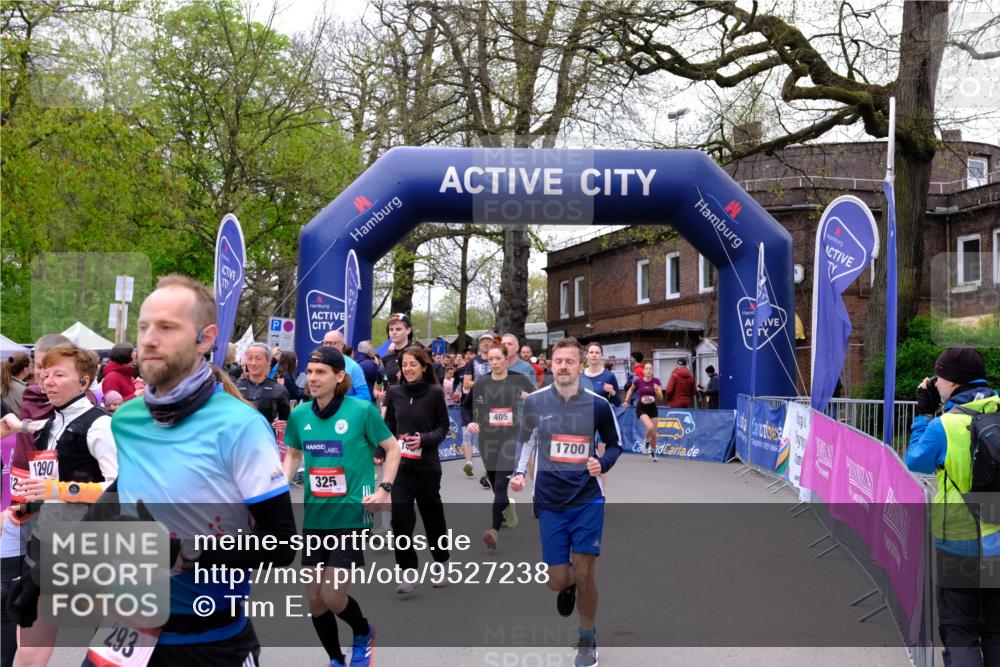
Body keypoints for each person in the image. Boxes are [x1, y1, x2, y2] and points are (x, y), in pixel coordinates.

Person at [95, 274, 297, 663]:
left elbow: (281, 542)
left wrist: (187, 551)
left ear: (206, 339)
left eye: (167, 327)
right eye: (143, 327)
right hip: (127, 628)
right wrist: (44, 570)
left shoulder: (240, 425)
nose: (148, 339)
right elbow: (120, 490)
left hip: (210, 638)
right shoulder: (127, 418)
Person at [2, 343, 118, 667]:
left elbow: (119, 487)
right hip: (44, 545)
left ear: (84, 381)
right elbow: (47, 489)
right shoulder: (50, 424)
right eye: (44, 373)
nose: (47, 381)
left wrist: (60, 488)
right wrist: (24, 510)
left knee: (109, 647)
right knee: (30, 649)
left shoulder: (101, 426)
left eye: (58, 375)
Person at [508, 337, 622, 667]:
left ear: (580, 365)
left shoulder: (598, 404)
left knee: (585, 573)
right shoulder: (536, 402)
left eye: (570, 361)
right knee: (557, 580)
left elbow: (615, 444)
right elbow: (526, 440)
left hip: (587, 499)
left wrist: (603, 463)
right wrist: (518, 473)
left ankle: (587, 639)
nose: (563, 367)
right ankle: (567, 587)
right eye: (558, 361)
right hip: (550, 500)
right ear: (551, 364)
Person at [283, 346, 399, 667]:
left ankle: (363, 632)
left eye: (320, 372)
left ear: (339, 377)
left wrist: (384, 488)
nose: (312, 378)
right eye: (309, 372)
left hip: (351, 513)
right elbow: (293, 453)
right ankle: (336, 659)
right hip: (315, 515)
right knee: (315, 599)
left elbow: (392, 449)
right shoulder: (300, 414)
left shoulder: (361, 411)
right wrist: (279, 485)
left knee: (333, 596)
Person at [905, 347, 1000, 667]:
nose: (935, 384)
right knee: (996, 628)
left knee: (960, 628)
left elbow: (916, 461)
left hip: (959, 540)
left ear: (952, 382)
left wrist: (924, 414)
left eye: (938, 378)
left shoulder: (944, 425)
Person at [382, 346, 451, 594]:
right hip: (401, 468)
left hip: (427, 467)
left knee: (432, 517)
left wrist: (424, 439)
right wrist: (382, 450)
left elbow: (444, 427)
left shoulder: (434, 393)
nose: (408, 369)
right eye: (404, 365)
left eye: (413, 364)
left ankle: (442, 562)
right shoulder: (395, 392)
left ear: (423, 366)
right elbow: (389, 427)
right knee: (400, 519)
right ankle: (407, 571)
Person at [465, 344, 534, 550]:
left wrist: (528, 397)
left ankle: (494, 530)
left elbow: (538, 397)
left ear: (506, 359)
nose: (494, 363)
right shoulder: (482, 382)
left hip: (511, 436)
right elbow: (465, 406)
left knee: (502, 485)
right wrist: (469, 422)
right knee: (495, 483)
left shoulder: (518, 379)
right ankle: (507, 505)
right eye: (490, 359)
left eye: (498, 358)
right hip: (487, 438)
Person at [457, 334, 494, 481]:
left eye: (489, 341)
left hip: (491, 402)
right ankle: (469, 462)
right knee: (467, 432)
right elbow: (466, 383)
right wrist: (483, 383)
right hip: (472, 400)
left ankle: (489, 468)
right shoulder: (473, 361)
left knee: (487, 436)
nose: (486, 344)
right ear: (480, 344)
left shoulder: (496, 360)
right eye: (483, 341)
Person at [236, 342, 291, 432]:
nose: (253, 363)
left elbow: (287, 423)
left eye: (258, 359)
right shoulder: (236, 388)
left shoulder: (279, 390)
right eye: (249, 358)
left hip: (267, 438)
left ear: (268, 361)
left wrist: (285, 426)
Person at [624, 361, 663, 462]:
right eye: (646, 368)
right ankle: (646, 441)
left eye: (650, 369)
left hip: (652, 408)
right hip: (641, 407)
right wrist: (626, 400)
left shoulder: (656, 381)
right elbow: (631, 389)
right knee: (649, 426)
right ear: (644, 371)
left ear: (652, 371)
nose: (648, 370)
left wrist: (657, 391)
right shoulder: (638, 381)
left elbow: (661, 398)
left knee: (654, 433)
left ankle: (653, 454)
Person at [322, 330, 372, 401]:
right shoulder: (319, 363)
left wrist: (340, 400)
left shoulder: (353, 367)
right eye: (325, 343)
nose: (327, 346)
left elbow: (365, 396)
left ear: (342, 345)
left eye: (332, 343)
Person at [380, 313, 416, 387]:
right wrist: (377, 391)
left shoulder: (417, 353)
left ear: (408, 330)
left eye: (398, 329)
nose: (394, 332)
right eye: (391, 329)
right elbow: (381, 384)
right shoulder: (386, 357)